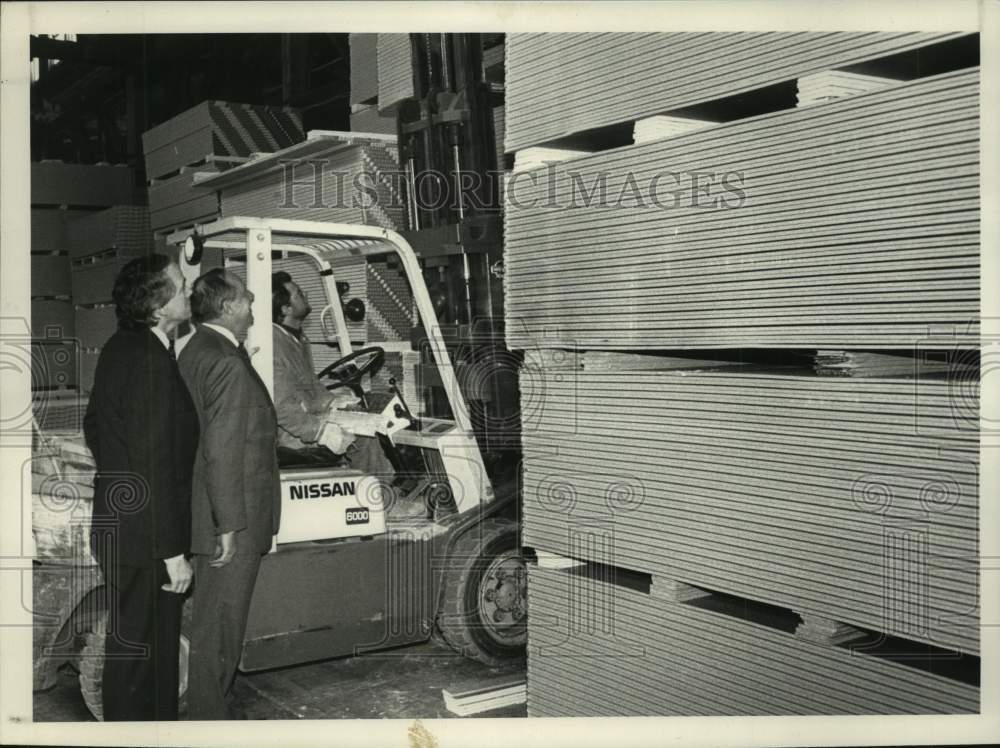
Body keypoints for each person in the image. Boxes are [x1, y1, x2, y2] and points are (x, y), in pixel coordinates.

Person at [84, 254, 198, 721]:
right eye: (179, 284)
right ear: (158, 305)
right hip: (149, 539)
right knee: (144, 664)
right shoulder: (150, 359)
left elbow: (95, 426)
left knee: (135, 657)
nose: (188, 288)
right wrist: (172, 553)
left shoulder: (120, 347)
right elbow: (154, 462)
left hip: (123, 526)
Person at [177, 269, 281, 720]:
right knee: (220, 629)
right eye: (248, 300)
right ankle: (208, 718)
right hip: (230, 518)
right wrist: (230, 526)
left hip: (215, 510)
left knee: (214, 625)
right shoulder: (225, 361)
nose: (254, 306)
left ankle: (211, 704)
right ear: (228, 307)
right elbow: (222, 452)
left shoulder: (197, 349)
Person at [270, 271, 392, 476]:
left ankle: (379, 487)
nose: (306, 295)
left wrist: (334, 402)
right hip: (293, 433)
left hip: (309, 418)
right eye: (299, 294)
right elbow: (281, 407)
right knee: (366, 433)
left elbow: (311, 386)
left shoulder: (298, 340)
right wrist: (320, 432)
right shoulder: (274, 343)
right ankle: (382, 497)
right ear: (286, 308)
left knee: (371, 416)